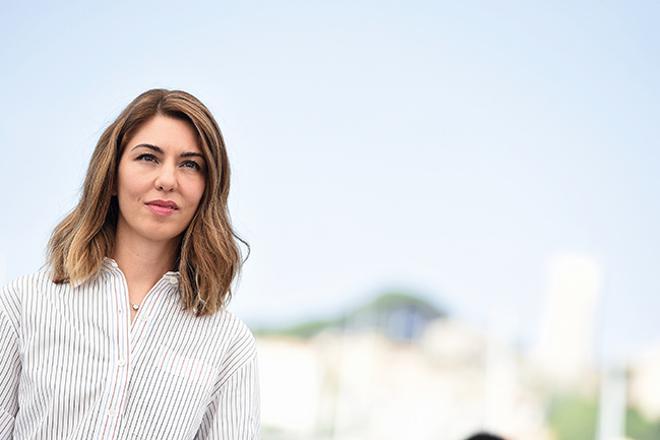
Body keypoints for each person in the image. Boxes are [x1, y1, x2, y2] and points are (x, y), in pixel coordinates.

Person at [0, 89, 259, 439]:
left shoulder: (229, 344)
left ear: (206, 189)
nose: (168, 180)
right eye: (148, 158)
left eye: (190, 164)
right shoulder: (22, 305)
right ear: (111, 177)